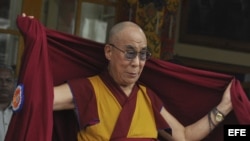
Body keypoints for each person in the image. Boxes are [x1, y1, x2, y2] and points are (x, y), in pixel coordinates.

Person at [22, 13, 232, 141]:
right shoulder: (88, 89)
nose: (137, 63)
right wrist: (33, 40)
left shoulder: (148, 98)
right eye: (129, 53)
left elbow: (184, 136)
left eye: (143, 55)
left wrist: (225, 106)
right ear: (109, 52)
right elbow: (35, 99)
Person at [0, 65, 15, 141]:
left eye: (8, 80)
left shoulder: (21, 111)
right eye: (0, 80)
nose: (4, 84)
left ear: (14, 84)